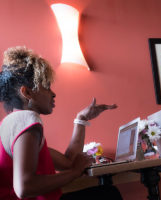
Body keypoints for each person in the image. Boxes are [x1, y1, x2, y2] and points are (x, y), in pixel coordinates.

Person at [0, 46, 122, 200]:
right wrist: (75, 173)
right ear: (27, 92)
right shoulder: (27, 119)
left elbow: (68, 162)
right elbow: (24, 188)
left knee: (107, 192)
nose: (53, 93)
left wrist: (81, 120)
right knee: (109, 194)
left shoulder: (12, 123)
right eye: (46, 87)